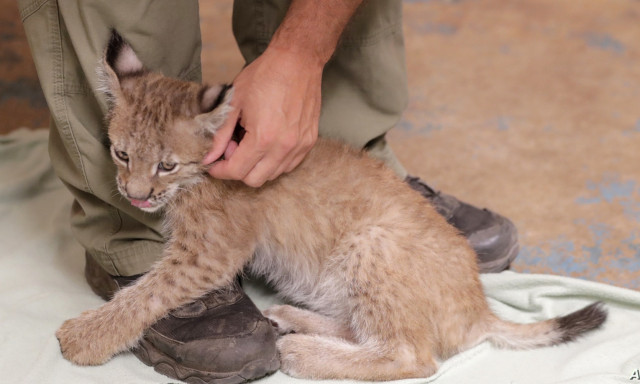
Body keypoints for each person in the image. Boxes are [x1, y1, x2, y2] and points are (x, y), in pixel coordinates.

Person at [19, 0, 518, 382]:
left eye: (165, 167)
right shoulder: (159, 144)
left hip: (389, 247)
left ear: (213, 124)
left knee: (379, 242)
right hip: (342, 240)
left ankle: (396, 352)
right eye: (123, 157)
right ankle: (128, 242)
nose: (136, 186)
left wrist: (114, 322)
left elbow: (203, 261)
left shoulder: (207, 163)